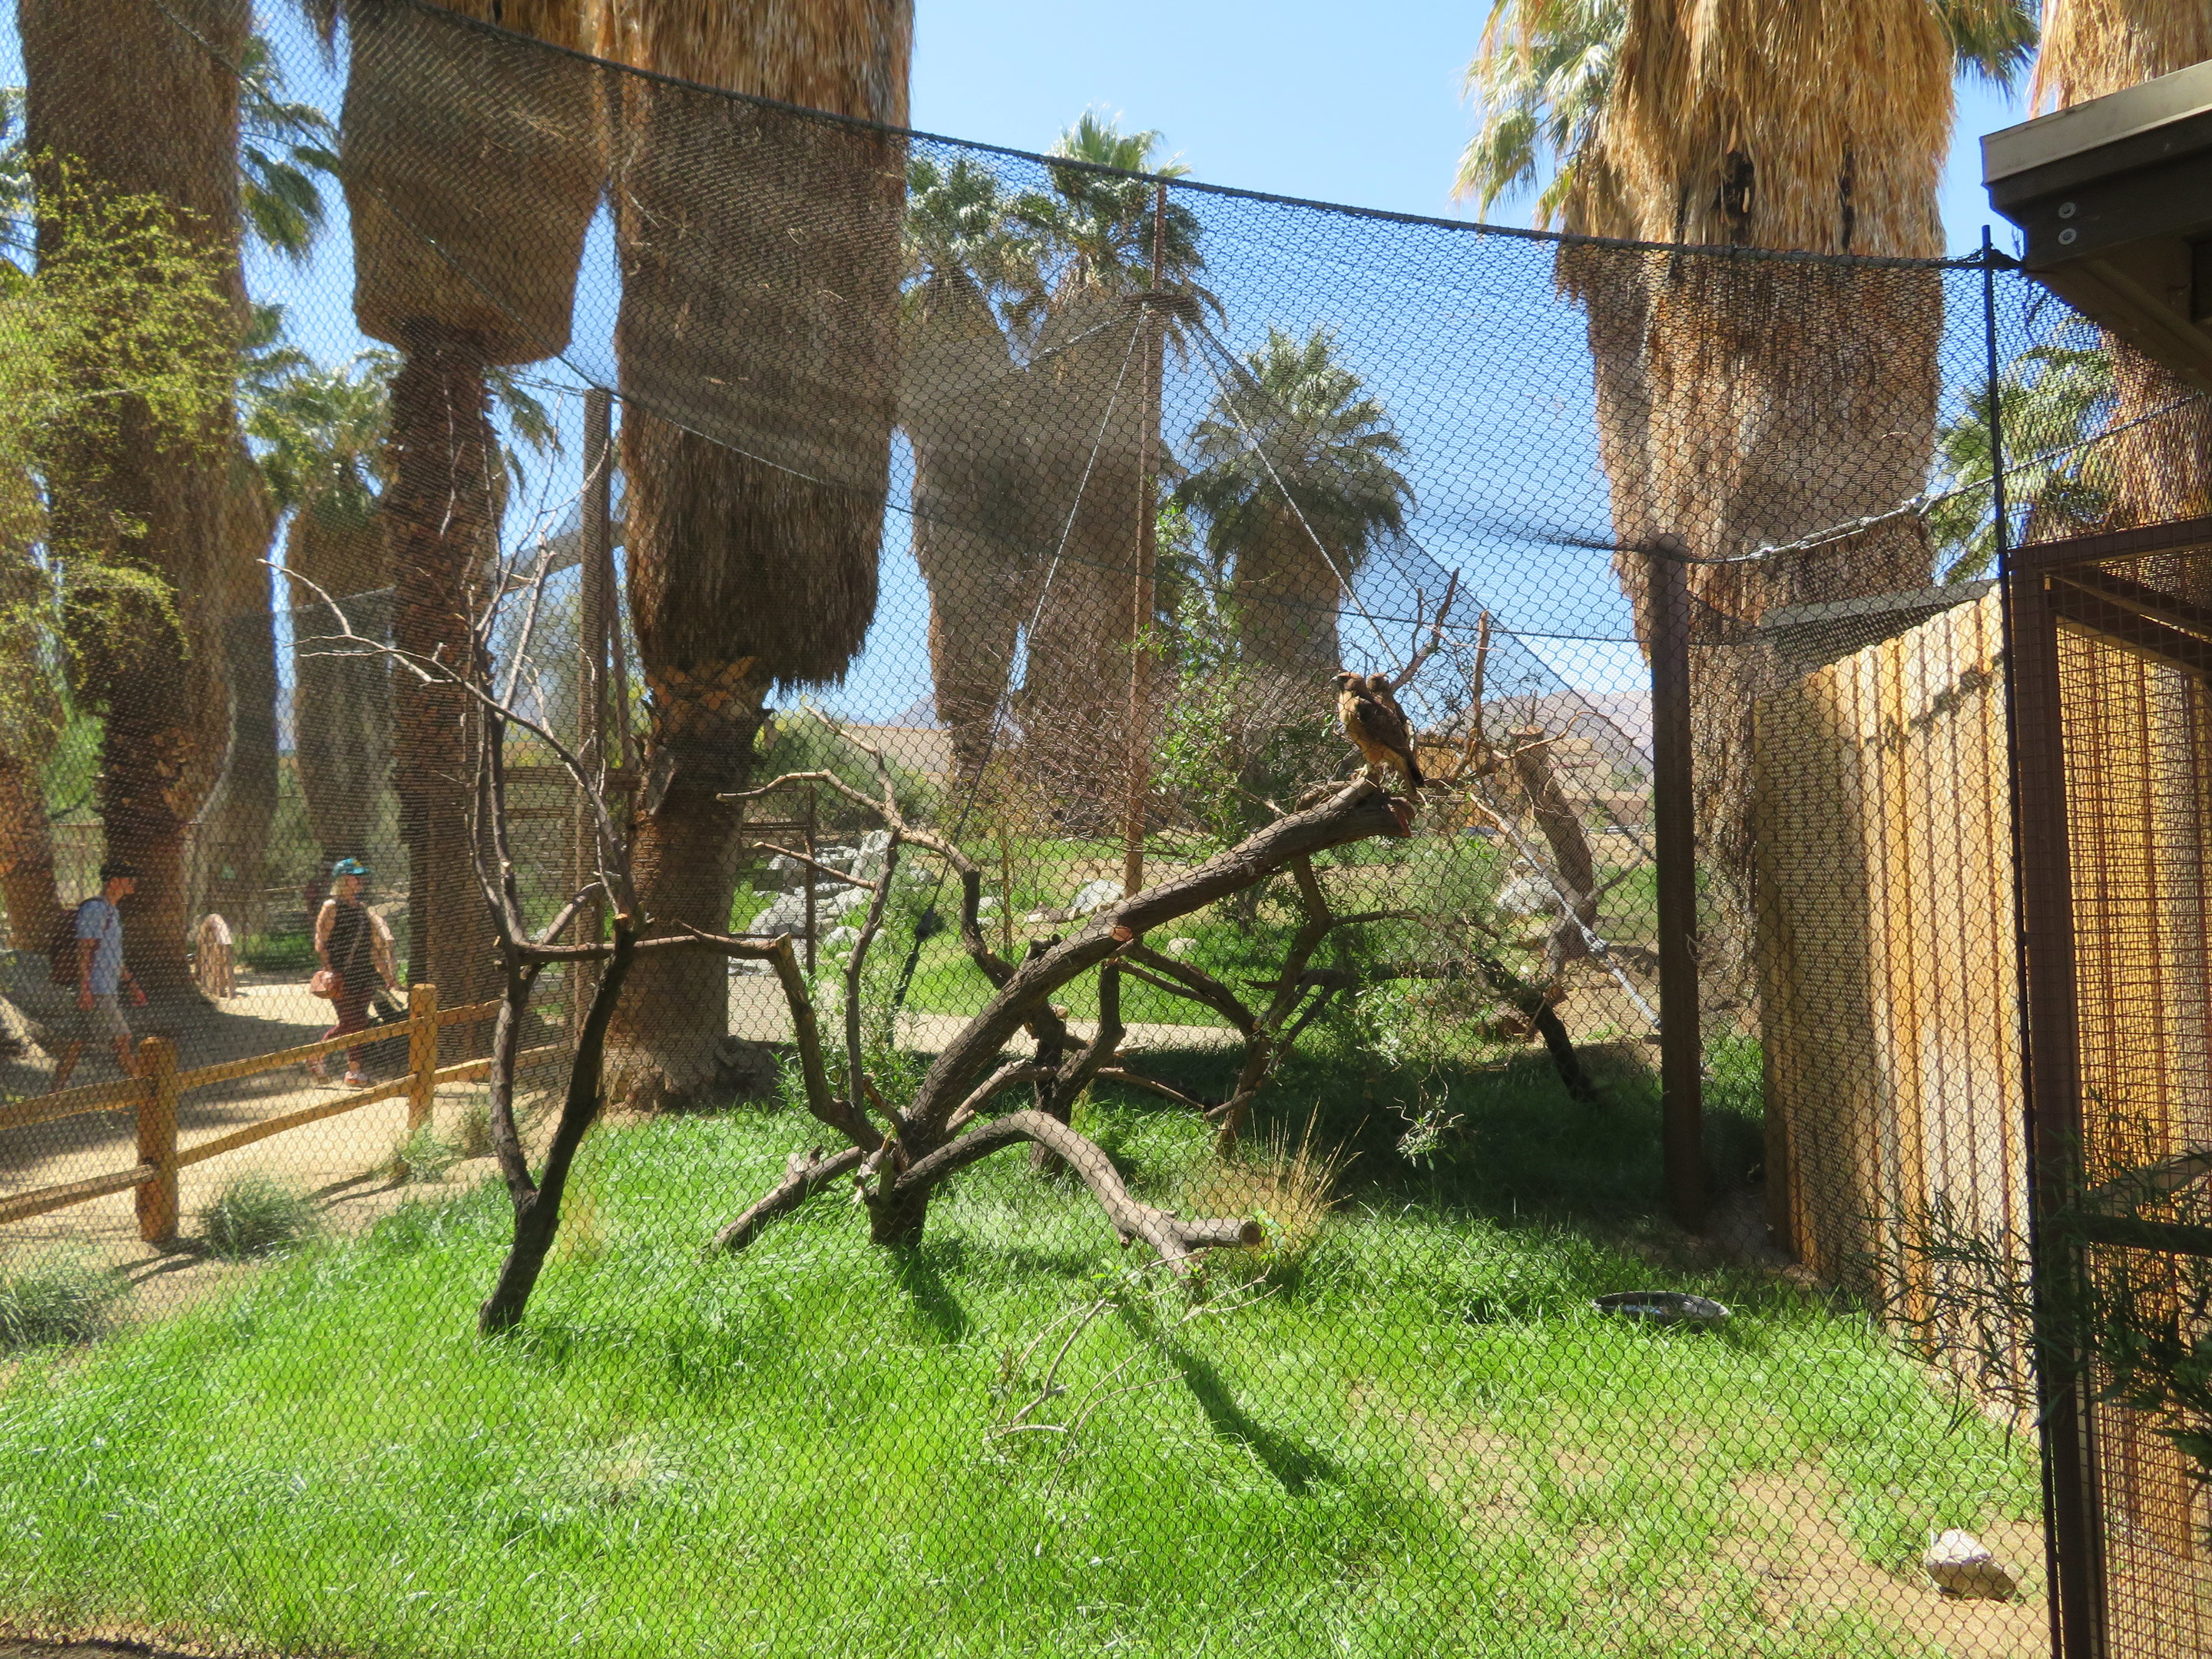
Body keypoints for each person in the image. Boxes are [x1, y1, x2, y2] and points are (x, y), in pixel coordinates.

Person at [48, 862, 147, 1093]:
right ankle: (143, 1092)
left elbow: (113, 955)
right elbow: (84, 949)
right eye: (129, 878)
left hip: (104, 986)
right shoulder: (95, 909)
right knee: (123, 1039)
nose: (134, 883)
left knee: (77, 1042)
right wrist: (85, 988)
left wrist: (132, 985)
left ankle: (55, 1091)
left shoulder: (113, 911)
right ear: (114, 881)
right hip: (97, 989)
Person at [310, 858, 396, 1088]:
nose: (360, 881)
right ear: (342, 880)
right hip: (341, 974)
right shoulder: (331, 906)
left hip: (363, 973)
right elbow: (320, 941)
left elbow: (370, 947)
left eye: (360, 877)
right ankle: (319, 1056)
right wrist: (329, 971)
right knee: (351, 1020)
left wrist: (387, 974)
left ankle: (352, 1072)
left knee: (358, 1023)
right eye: (355, 876)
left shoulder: (361, 909)